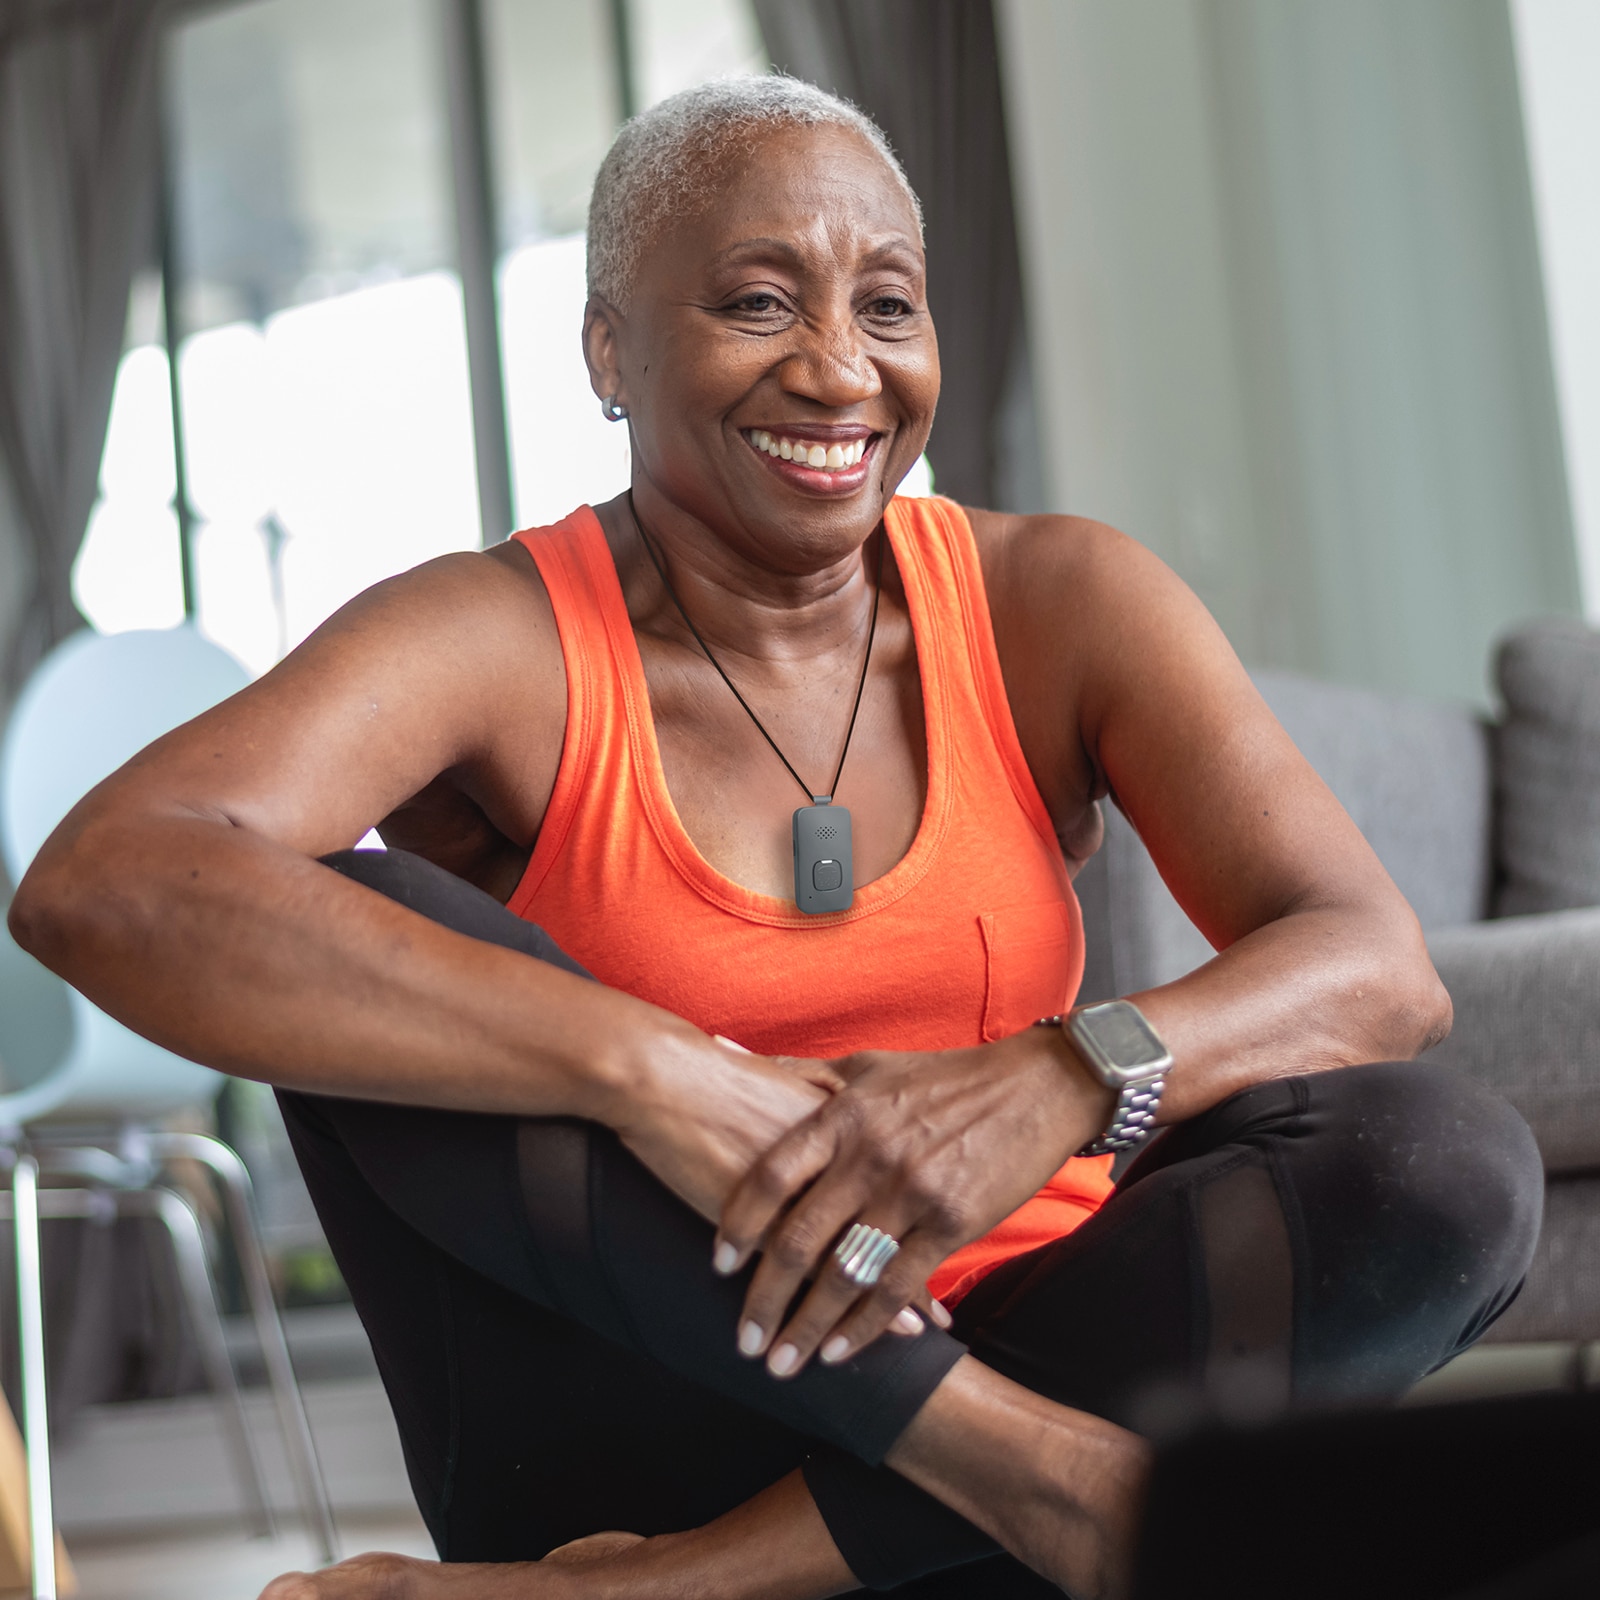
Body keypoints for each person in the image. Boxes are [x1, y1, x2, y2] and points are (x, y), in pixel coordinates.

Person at [9, 77, 1542, 1600]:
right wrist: (655, 1069)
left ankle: (671, 1590)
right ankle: (1034, 1486)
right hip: (657, 1400)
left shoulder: (1054, 603)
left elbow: (1373, 967)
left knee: (1448, 1163)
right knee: (336, 913)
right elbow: (108, 876)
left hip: (1026, 1360)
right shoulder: (500, 637)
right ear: (611, 348)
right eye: (758, 301)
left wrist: (1071, 1071)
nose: (837, 371)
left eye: (888, 307)